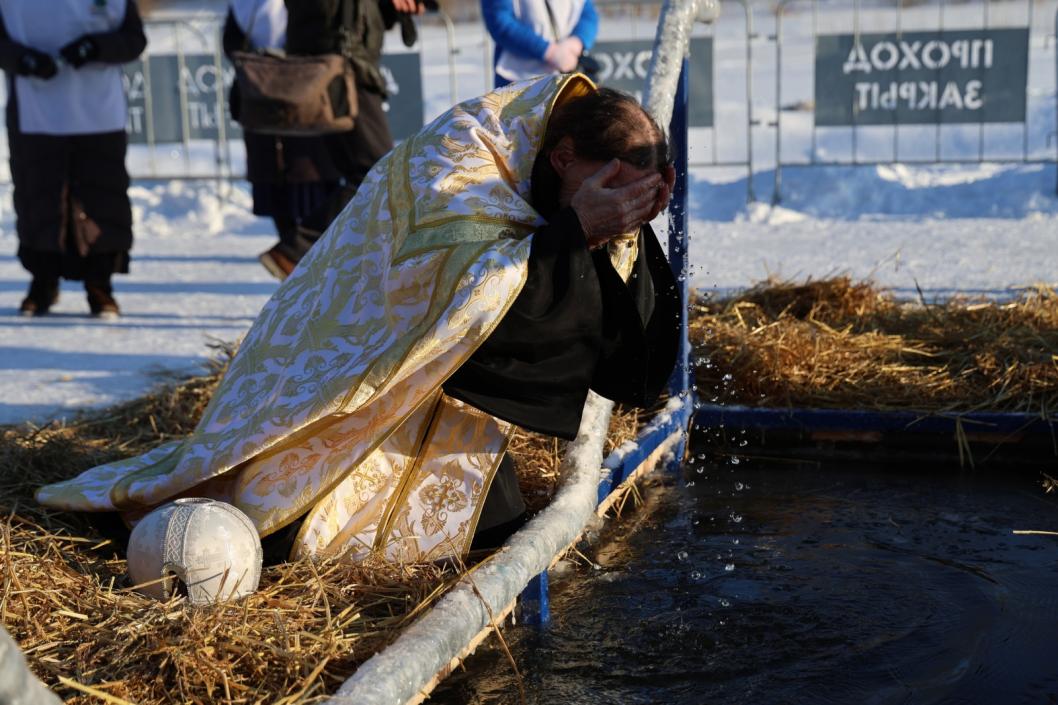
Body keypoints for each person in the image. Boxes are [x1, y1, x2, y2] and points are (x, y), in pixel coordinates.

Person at [36, 74, 679, 566]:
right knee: (275, 529)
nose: (616, 207)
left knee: (491, 538)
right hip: (340, 366)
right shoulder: (460, 155)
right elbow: (465, 295)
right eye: (612, 190)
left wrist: (622, 233)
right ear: (562, 157)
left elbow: (599, 334)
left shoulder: (553, 165)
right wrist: (575, 230)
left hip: (437, 389)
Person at [244, 0, 424, 280]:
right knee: (381, 173)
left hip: (342, 62)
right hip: (341, 66)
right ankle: (299, 251)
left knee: (368, 176)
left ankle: (336, 267)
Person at [0, 1, 147, 318]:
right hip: (34, 111)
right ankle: (43, 281)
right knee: (39, 198)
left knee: (102, 198)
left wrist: (95, 47)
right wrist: (23, 59)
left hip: (98, 111)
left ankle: (99, 284)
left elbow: (134, 40)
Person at [223, 0, 349, 281]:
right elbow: (232, 43)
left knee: (312, 192)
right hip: (277, 105)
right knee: (286, 200)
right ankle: (298, 266)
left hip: (296, 105)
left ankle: (301, 263)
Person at [482, 0, 599, 88]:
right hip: (518, 80)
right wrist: (549, 52)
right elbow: (499, 21)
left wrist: (576, 42)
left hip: (568, 74)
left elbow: (588, 13)